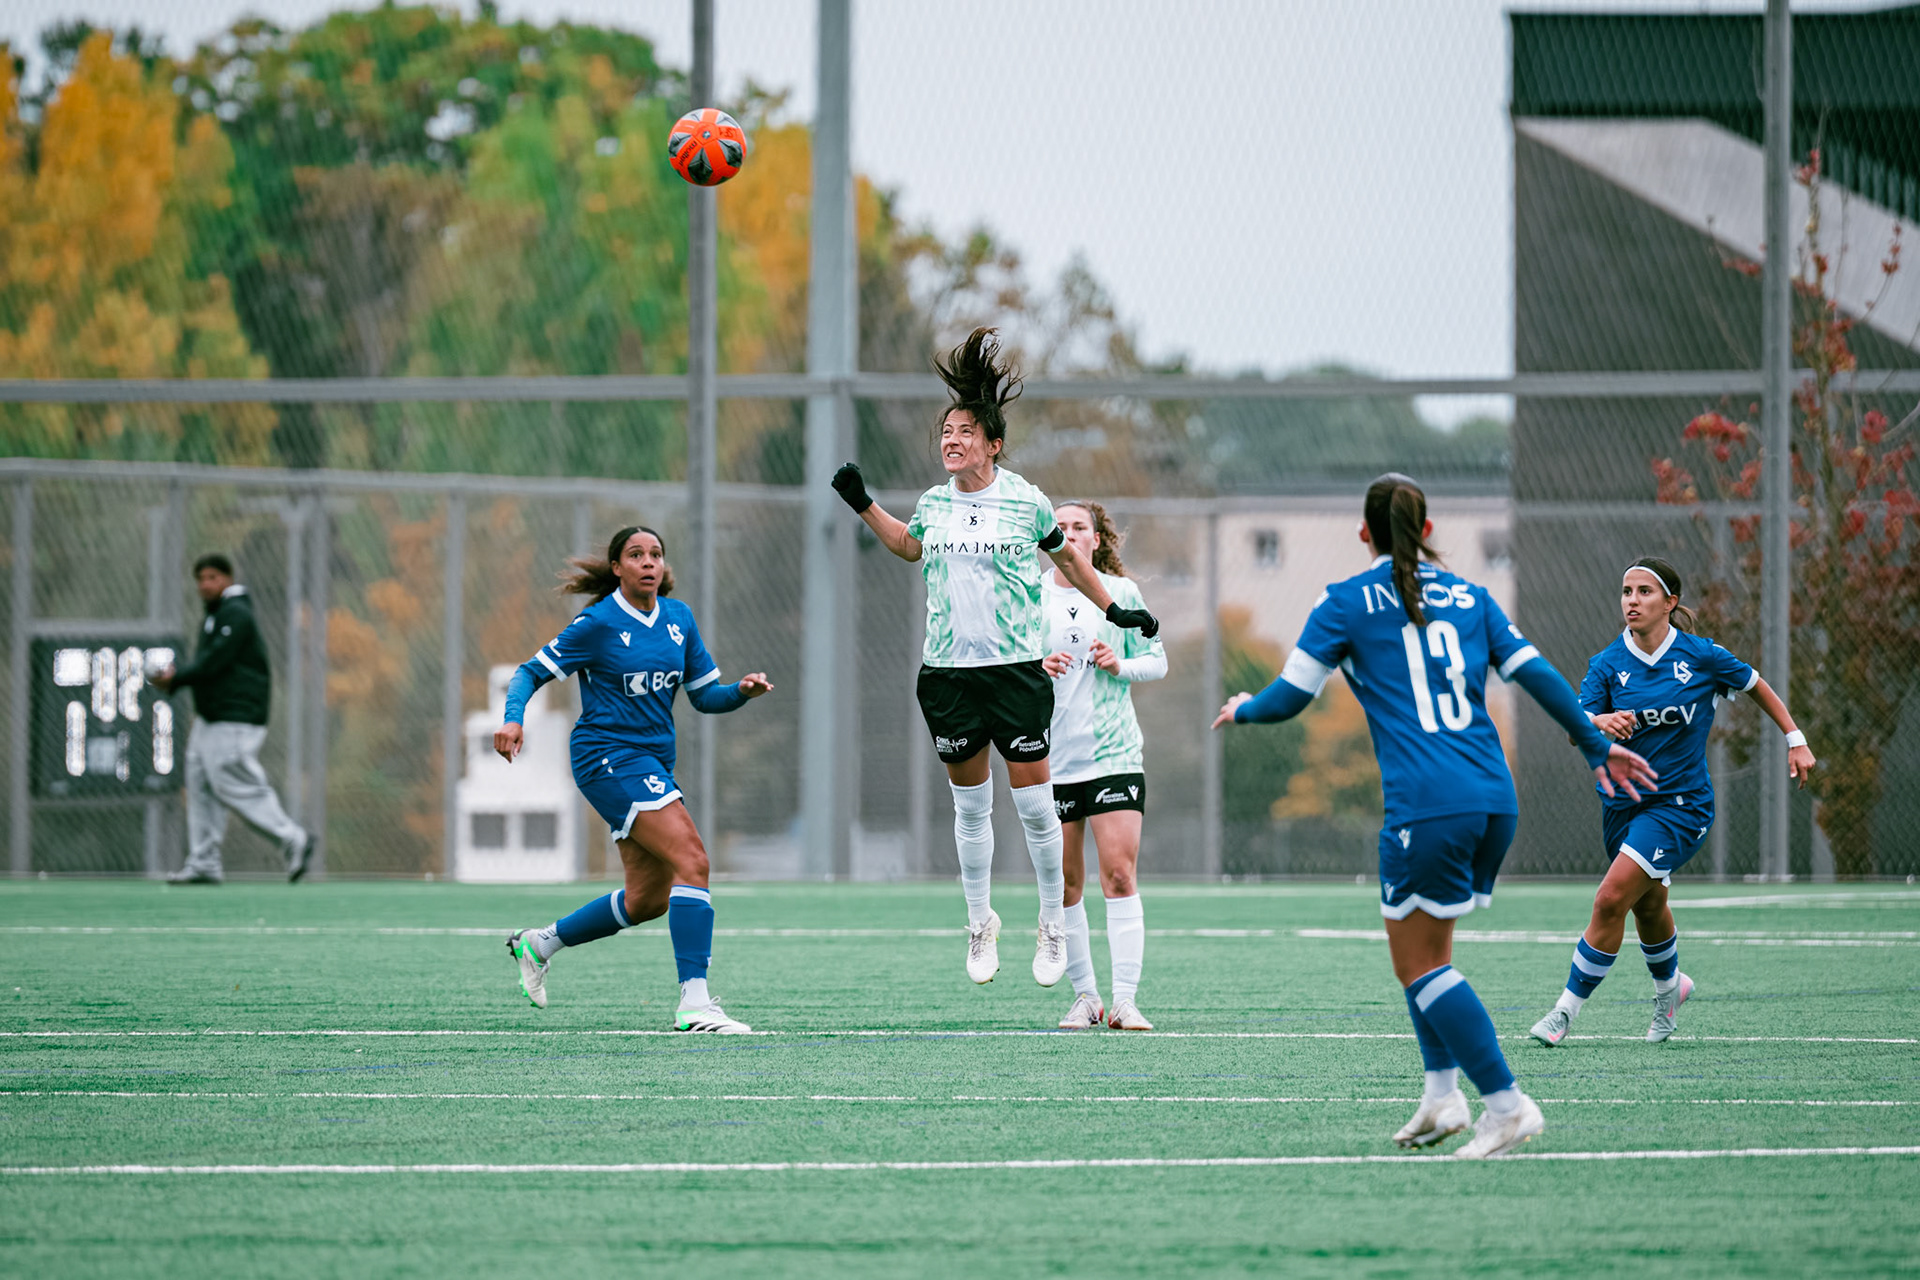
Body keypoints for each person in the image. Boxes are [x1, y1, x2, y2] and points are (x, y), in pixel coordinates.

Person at [1212, 473, 1656, 1159]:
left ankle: (1506, 1106)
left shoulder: (1344, 601)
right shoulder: (1473, 596)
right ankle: (1441, 1097)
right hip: (1493, 797)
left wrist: (1243, 708)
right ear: (1426, 531)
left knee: (1417, 966)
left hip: (1428, 804)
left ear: (1364, 533)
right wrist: (1595, 745)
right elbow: (1537, 675)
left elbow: (1290, 697)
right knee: (1430, 955)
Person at [829, 327, 1159, 989]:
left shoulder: (1026, 501)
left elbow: (1071, 562)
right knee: (970, 808)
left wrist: (1115, 609)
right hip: (948, 674)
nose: (951, 440)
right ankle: (980, 922)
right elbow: (910, 547)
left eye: (965, 432)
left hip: (1014, 672)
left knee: (1036, 809)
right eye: (946, 432)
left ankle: (1051, 922)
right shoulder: (934, 503)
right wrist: (863, 504)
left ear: (994, 444)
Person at [1529, 557, 1816, 1048]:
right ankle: (1670, 991)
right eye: (1626, 591)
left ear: (1670, 602)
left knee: (1610, 898)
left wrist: (1795, 738)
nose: (1632, 600)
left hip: (1681, 806)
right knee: (1648, 906)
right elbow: (1576, 727)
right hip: (1622, 806)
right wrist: (1599, 722)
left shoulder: (1700, 655)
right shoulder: (1607, 663)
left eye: (1644, 591)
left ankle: (1564, 1012)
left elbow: (1755, 685)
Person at [499, 526, 771, 1033]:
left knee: (648, 899)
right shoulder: (598, 622)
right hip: (606, 757)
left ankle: (538, 944)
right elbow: (529, 672)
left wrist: (741, 691)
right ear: (617, 568)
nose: (649, 562)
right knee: (693, 860)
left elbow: (705, 697)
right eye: (636, 555)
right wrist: (514, 719)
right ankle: (694, 1004)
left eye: (656, 554)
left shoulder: (678, 619)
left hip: (651, 764)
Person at [1040, 500, 1166, 1030]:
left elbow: (1158, 660)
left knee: (1118, 874)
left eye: (1079, 527)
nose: (1069, 534)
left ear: (1096, 540)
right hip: (1052, 761)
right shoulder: (1030, 597)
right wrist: (1036, 667)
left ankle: (1125, 1001)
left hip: (1114, 755)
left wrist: (1121, 664)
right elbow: (1007, 668)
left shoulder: (1122, 595)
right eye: (1059, 527)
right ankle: (1086, 998)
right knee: (1066, 883)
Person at [152, 554, 314, 884]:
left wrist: (176, 678)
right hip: (211, 718)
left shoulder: (236, 613)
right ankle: (204, 863)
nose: (205, 584)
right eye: (201, 579)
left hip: (236, 716)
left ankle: (292, 838)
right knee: (199, 783)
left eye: (212, 577)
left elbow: (216, 660)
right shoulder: (216, 615)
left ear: (228, 578)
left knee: (233, 782)